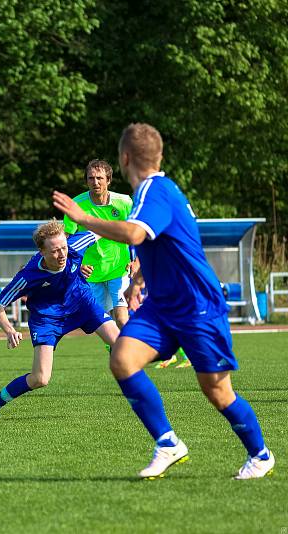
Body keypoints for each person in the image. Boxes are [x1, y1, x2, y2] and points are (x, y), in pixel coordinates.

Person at [53, 123, 274, 480]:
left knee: (217, 392)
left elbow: (137, 234)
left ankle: (261, 455)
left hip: (197, 306)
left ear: (124, 159)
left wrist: (83, 219)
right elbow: (162, 245)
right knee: (123, 359)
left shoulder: (155, 191)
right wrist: (138, 281)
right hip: (163, 305)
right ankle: (168, 442)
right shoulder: (151, 194)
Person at [0, 221, 120, 421]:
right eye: (54, 251)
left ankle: (134, 390)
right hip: (47, 318)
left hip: (81, 304)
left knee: (120, 343)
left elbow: (103, 228)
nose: (62, 255)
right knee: (40, 378)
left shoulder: (76, 245)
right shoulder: (27, 277)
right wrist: (9, 330)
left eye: (64, 247)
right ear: (41, 251)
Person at [63, 159, 136, 331]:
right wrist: (77, 265)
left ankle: (126, 353)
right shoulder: (76, 205)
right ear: (86, 181)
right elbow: (65, 242)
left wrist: (136, 261)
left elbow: (138, 234)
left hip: (119, 269)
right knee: (102, 322)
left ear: (108, 180)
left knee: (121, 317)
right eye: (91, 178)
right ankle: (115, 352)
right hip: (91, 273)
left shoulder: (124, 202)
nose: (95, 182)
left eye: (100, 178)